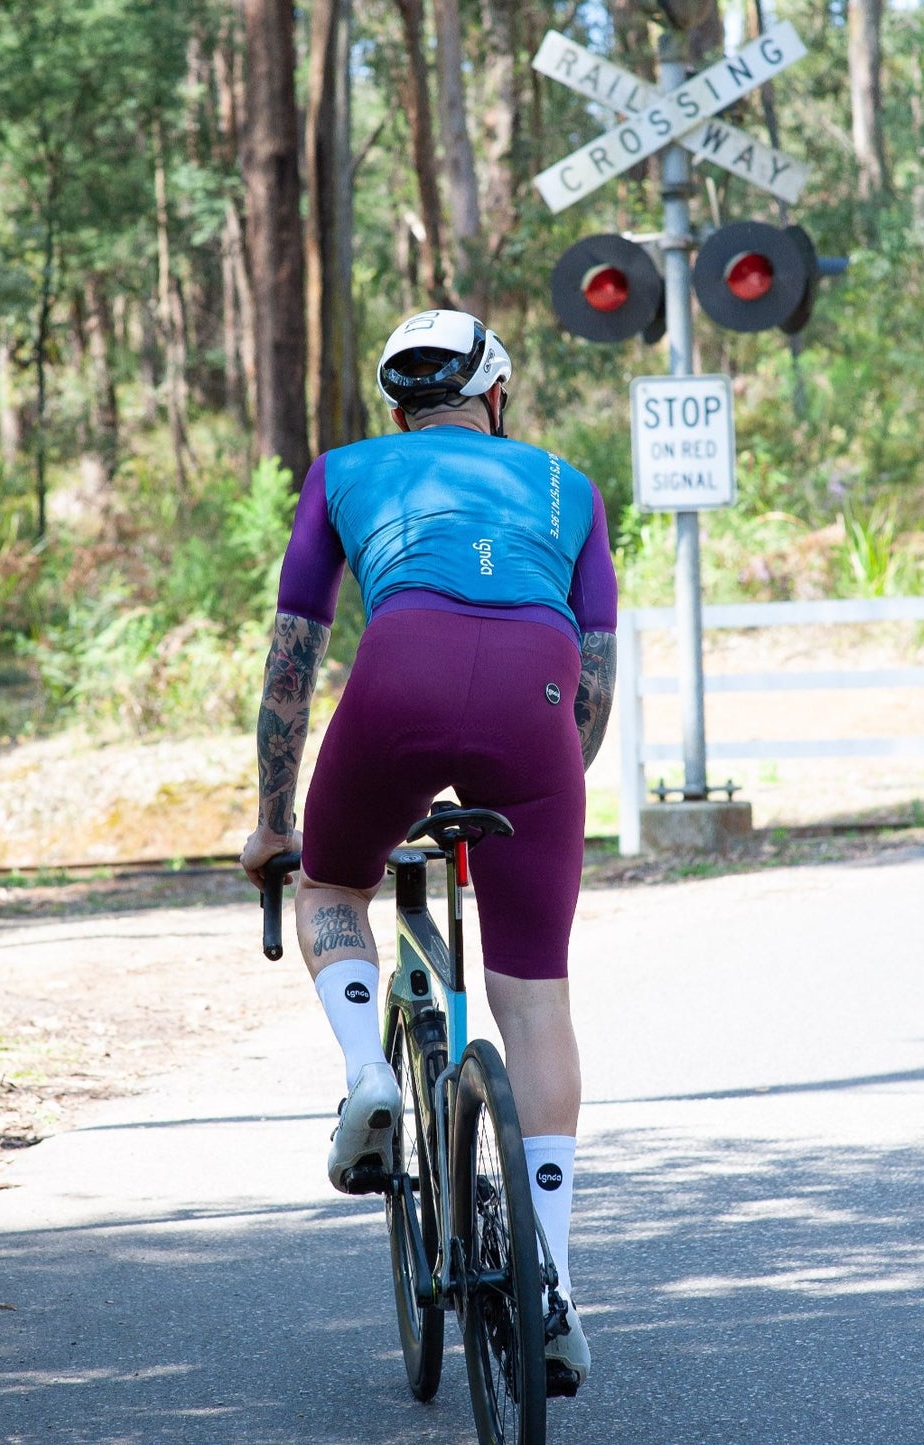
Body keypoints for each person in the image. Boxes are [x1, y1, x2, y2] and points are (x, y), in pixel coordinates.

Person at [240, 308, 617, 1385]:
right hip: (533, 712)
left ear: (397, 405)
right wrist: (535, 799)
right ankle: (549, 1278)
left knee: (331, 880)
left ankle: (367, 1074)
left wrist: (274, 822)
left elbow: (290, 658)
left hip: (396, 677)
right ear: (493, 396)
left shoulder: (342, 468)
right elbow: (591, 685)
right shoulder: (568, 488)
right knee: (535, 996)